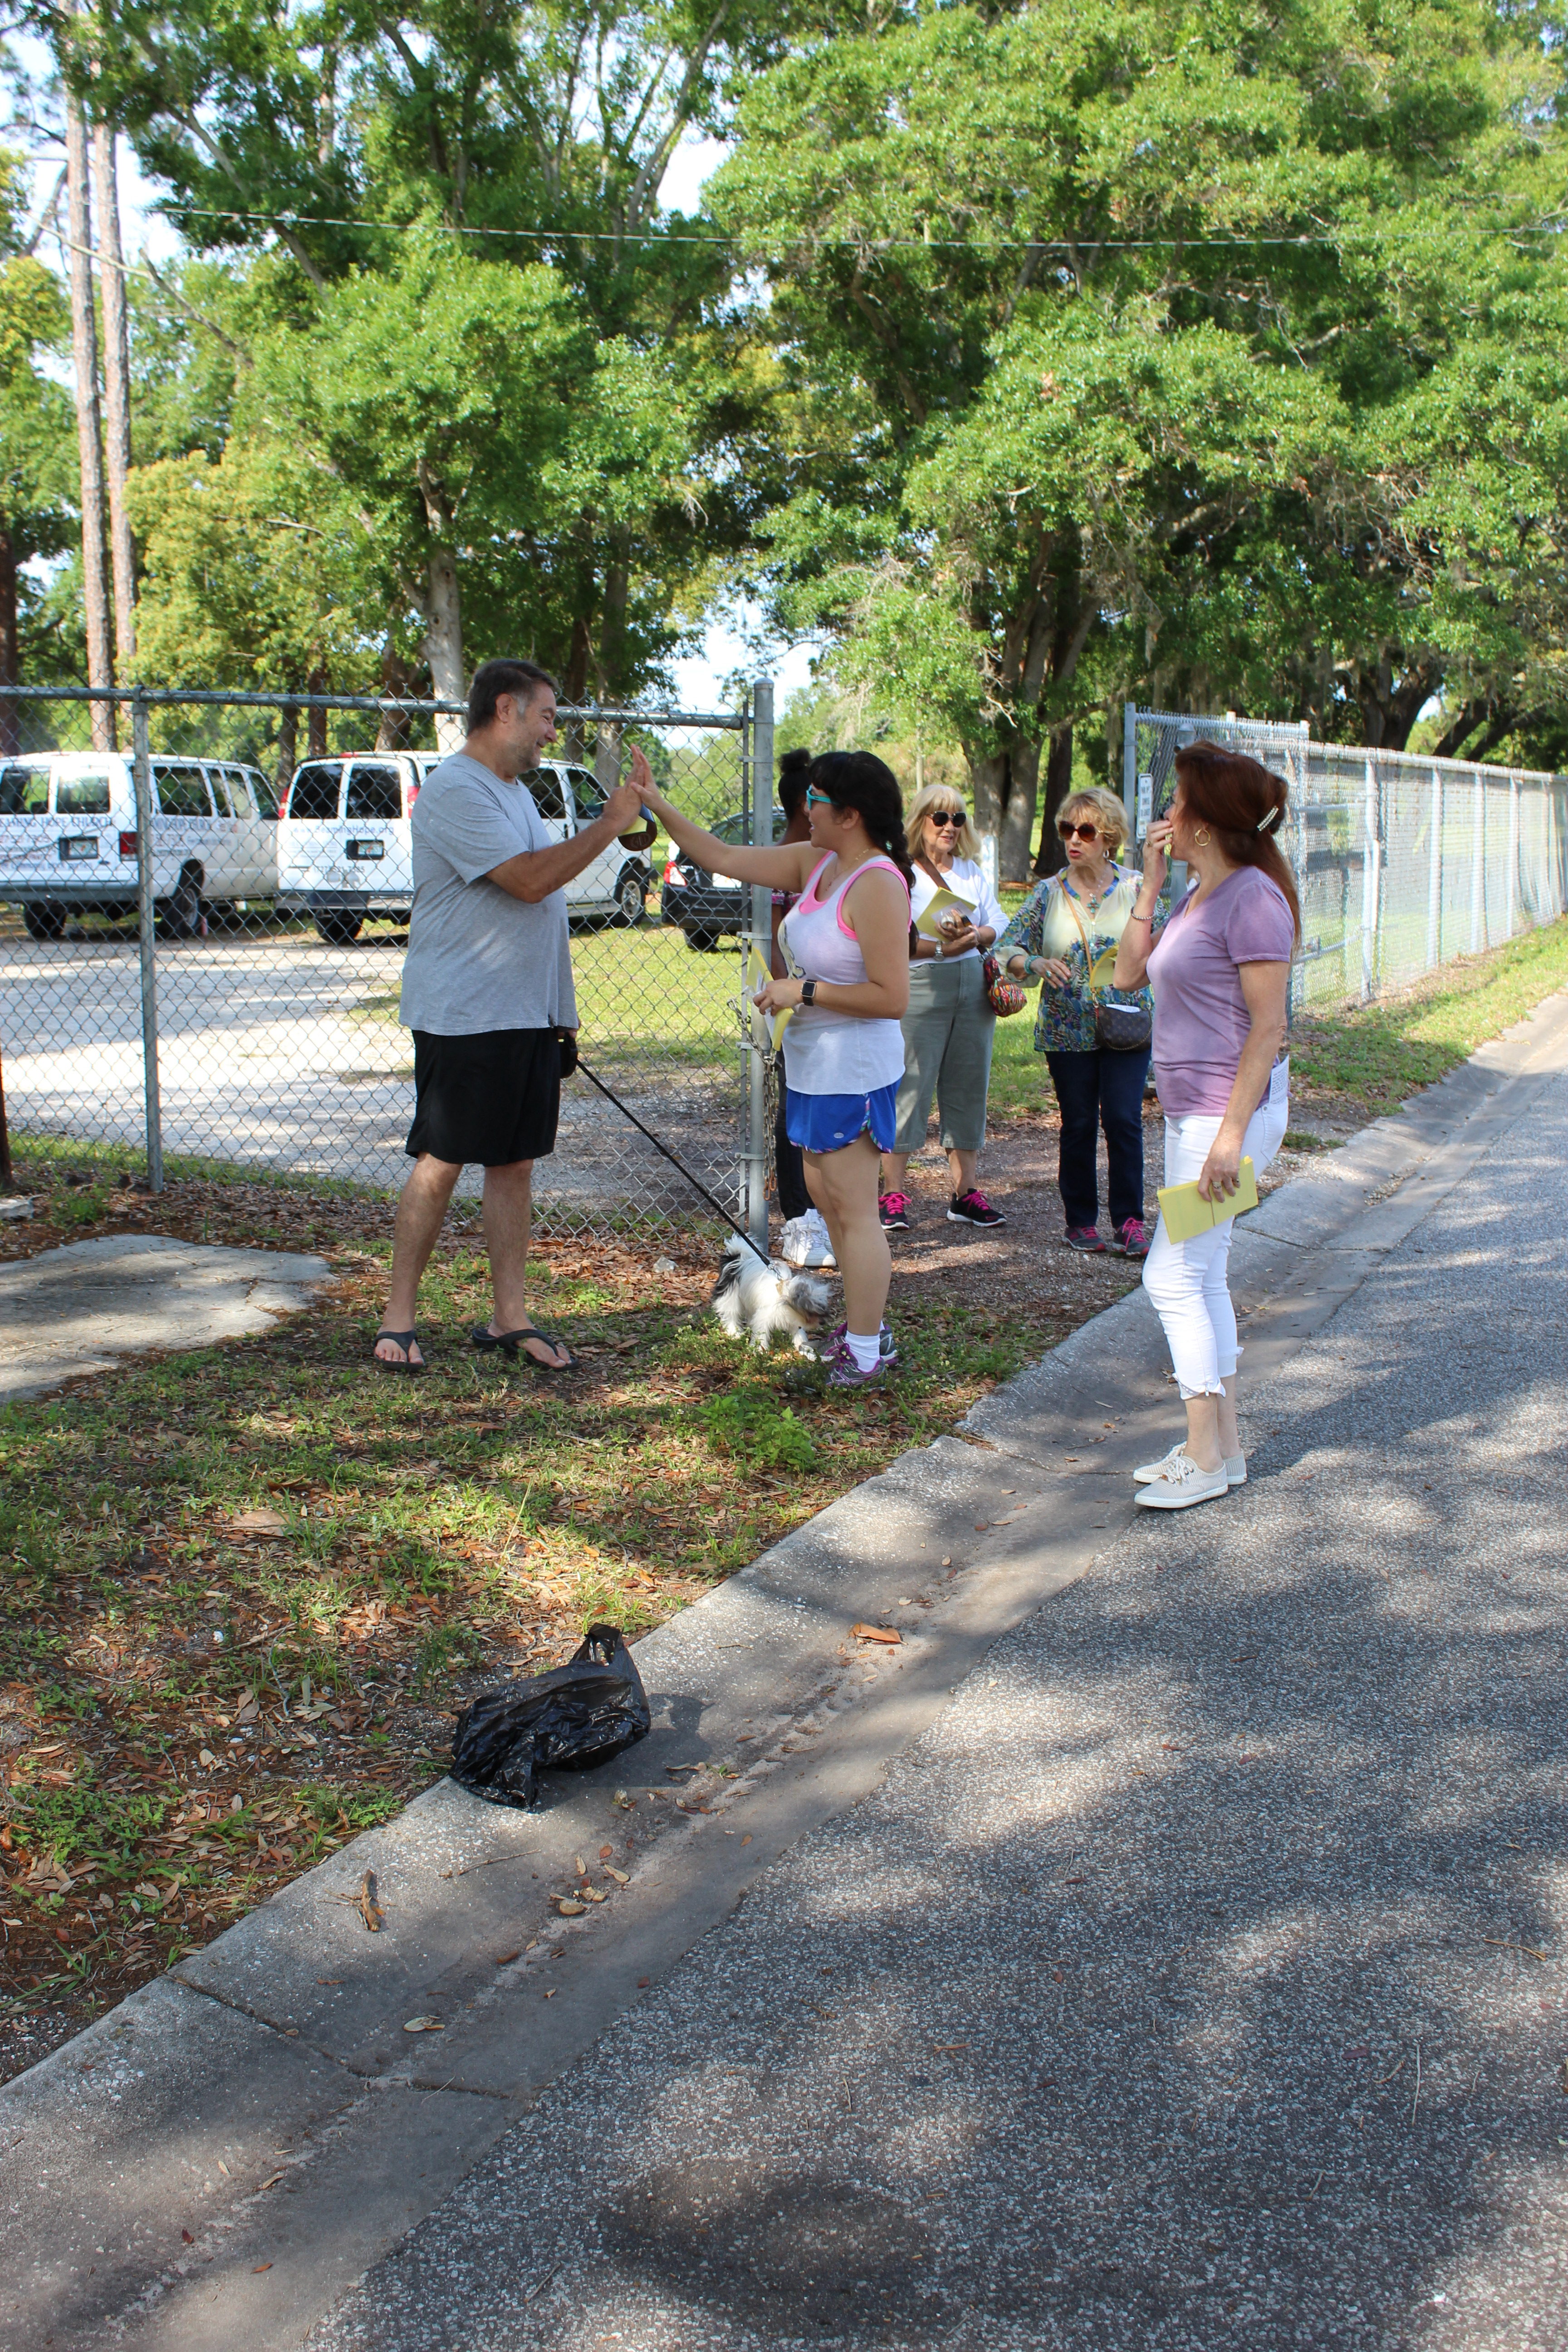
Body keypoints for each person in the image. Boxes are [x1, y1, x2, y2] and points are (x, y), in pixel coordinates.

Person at [372, 658, 645, 1372]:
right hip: (464, 1014)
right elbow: (529, 882)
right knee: (443, 1158)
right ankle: (398, 1318)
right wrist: (610, 823)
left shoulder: (515, 793)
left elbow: (543, 904)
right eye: (546, 717)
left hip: (524, 1013)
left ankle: (508, 1318)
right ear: (505, 710)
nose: (552, 733)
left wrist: (561, 1011)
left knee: (514, 1162)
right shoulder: (455, 789)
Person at [640, 749, 912, 1387]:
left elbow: (892, 996)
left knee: (853, 1212)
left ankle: (868, 1350)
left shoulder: (876, 881)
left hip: (854, 1070)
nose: (803, 808)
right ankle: (865, 1330)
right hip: (814, 1065)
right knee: (829, 1205)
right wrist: (655, 801)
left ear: (850, 814)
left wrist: (803, 991)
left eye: (815, 799)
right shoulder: (816, 862)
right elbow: (719, 855)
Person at [1112, 740, 1298, 1511]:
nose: (1165, 812)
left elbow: (1268, 1028)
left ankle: (1202, 1454)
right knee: (1203, 1272)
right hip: (1195, 1114)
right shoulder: (1197, 893)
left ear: (1206, 819)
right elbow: (1127, 975)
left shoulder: (1253, 897)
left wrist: (1229, 1139)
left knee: (1170, 1275)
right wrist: (1151, 885)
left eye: (1177, 800)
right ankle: (1223, 1449)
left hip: (1228, 1119)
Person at [995, 785, 1154, 1257]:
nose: (1074, 839)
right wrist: (1034, 963)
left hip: (1126, 1024)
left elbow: (1167, 940)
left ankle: (1130, 1221)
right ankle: (1080, 1221)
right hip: (1067, 1029)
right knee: (1079, 1123)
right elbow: (1005, 948)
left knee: (1124, 1119)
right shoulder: (1048, 892)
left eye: (1086, 831)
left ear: (1109, 837)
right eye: (1067, 829)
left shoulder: (1136, 888)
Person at [877, 783, 1007, 1232]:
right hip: (921, 984)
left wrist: (975, 936)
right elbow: (891, 936)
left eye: (958, 818)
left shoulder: (970, 871)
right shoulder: (902, 872)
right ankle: (893, 1193)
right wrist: (941, 949)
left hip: (973, 986)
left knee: (970, 1084)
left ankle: (965, 1192)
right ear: (920, 821)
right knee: (909, 1085)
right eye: (940, 818)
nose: (950, 827)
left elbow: (998, 919)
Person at [771, 748, 835, 1271]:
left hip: (823, 1008)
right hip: (792, 1008)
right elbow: (776, 945)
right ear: (804, 805)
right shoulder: (787, 862)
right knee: (792, 1113)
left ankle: (827, 1212)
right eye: (819, 798)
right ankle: (799, 1217)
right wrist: (789, 995)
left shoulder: (833, 863)